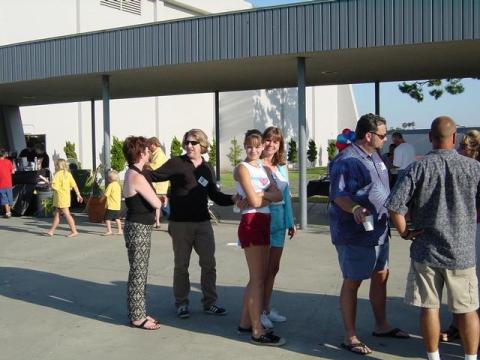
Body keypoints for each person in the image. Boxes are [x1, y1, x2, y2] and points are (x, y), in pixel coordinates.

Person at [386, 117, 480, 360]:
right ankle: (470, 357)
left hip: (426, 250)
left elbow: (395, 208)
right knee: (468, 310)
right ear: (455, 137)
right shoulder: (473, 168)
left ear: (430, 137)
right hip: (463, 252)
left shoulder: (417, 168)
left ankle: (433, 356)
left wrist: (405, 232)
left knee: (430, 307)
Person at [329, 113, 409, 356]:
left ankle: (381, 325)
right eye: (382, 136)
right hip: (354, 233)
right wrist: (354, 208)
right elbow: (339, 195)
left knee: (381, 275)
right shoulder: (347, 160)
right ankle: (350, 335)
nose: (385, 140)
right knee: (353, 281)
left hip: (380, 230)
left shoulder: (376, 156)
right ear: (368, 135)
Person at [146, 129, 235, 319]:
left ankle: (210, 303)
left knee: (209, 264)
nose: (188, 146)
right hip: (180, 224)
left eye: (193, 142)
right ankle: (181, 304)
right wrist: (139, 170)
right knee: (181, 266)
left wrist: (235, 198)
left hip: (203, 223)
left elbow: (215, 195)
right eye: (186, 142)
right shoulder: (177, 163)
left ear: (202, 145)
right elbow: (153, 176)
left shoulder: (207, 167)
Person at [235, 129, 285, 346]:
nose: (253, 150)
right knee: (258, 278)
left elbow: (278, 195)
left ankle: (246, 322)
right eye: (249, 146)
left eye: (257, 146)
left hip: (264, 222)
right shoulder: (242, 168)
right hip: (251, 223)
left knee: (259, 277)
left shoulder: (263, 168)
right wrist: (261, 198)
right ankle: (257, 330)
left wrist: (260, 195)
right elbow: (253, 204)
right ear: (244, 146)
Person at [439, 129, 480, 343]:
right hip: (462, 233)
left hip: (474, 230)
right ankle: (457, 326)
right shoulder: (460, 167)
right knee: (461, 285)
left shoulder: (475, 169)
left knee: (469, 286)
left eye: (466, 146)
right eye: (461, 145)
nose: (461, 150)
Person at [122, 136, 162, 330]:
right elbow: (156, 203)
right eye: (146, 150)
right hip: (139, 228)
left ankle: (138, 312)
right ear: (140, 153)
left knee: (138, 271)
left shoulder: (131, 173)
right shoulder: (137, 176)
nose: (149, 152)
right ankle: (138, 317)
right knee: (138, 272)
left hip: (134, 225)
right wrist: (162, 200)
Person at [259, 126, 295, 329]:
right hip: (263, 219)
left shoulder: (281, 167)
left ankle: (266, 308)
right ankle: (258, 311)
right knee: (261, 270)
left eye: (276, 141)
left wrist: (291, 222)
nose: (271, 144)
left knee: (274, 268)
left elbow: (287, 196)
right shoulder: (255, 166)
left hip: (280, 221)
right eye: (268, 140)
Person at [46, 159, 83, 237]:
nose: (55, 166)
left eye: (56, 165)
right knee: (57, 214)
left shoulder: (57, 174)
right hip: (65, 197)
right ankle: (51, 230)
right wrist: (78, 194)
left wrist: (48, 183)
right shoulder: (68, 174)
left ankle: (74, 231)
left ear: (58, 166)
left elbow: (54, 187)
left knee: (66, 214)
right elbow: (74, 185)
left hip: (60, 197)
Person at [147, 137, 169, 229]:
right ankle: (157, 221)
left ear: (153, 144)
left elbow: (154, 166)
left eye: (149, 145)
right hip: (159, 183)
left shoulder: (159, 154)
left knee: (158, 204)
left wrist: (145, 164)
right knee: (158, 204)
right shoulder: (157, 153)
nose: (148, 147)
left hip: (159, 184)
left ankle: (158, 221)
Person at [103, 170, 123, 236]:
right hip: (117, 205)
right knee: (117, 218)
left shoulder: (110, 185)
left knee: (107, 219)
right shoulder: (118, 185)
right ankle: (120, 230)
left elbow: (106, 194)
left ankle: (109, 231)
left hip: (111, 205)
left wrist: (101, 199)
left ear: (109, 178)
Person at [0, 150, 15, 218]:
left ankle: (8, 212)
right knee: (9, 197)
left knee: (4, 198)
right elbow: (13, 171)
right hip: (8, 183)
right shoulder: (8, 161)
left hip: (1, 184)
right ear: (5, 155)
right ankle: (9, 211)